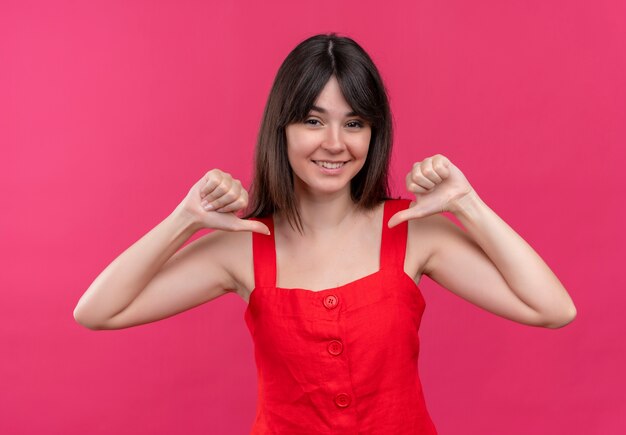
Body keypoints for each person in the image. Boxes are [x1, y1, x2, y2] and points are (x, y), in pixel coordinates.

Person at [74, 33, 577, 434]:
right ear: (283, 129)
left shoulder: (413, 232)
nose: (334, 144)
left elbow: (553, 309)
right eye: (313, 120)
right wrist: (183, 220)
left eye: (354, 123)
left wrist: (468, 204)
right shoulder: (243, 244)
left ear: (373, 133)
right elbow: (97, 311)